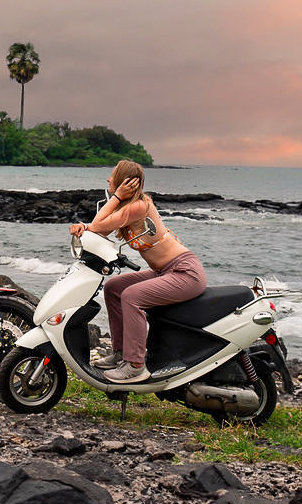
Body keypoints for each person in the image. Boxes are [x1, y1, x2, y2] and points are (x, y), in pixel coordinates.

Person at [69, 159, 206, 384]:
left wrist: (112, 199)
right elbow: (98, 229)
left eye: (113, 176)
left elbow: (98, 224)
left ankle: (135, 366)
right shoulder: (131, 207)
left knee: (132, 297)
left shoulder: (139, 207)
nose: (108, 179)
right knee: (114, 288)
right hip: (165, 271)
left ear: (125, 182)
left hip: (185, 272)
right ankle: (121, 353)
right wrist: (87, 227)